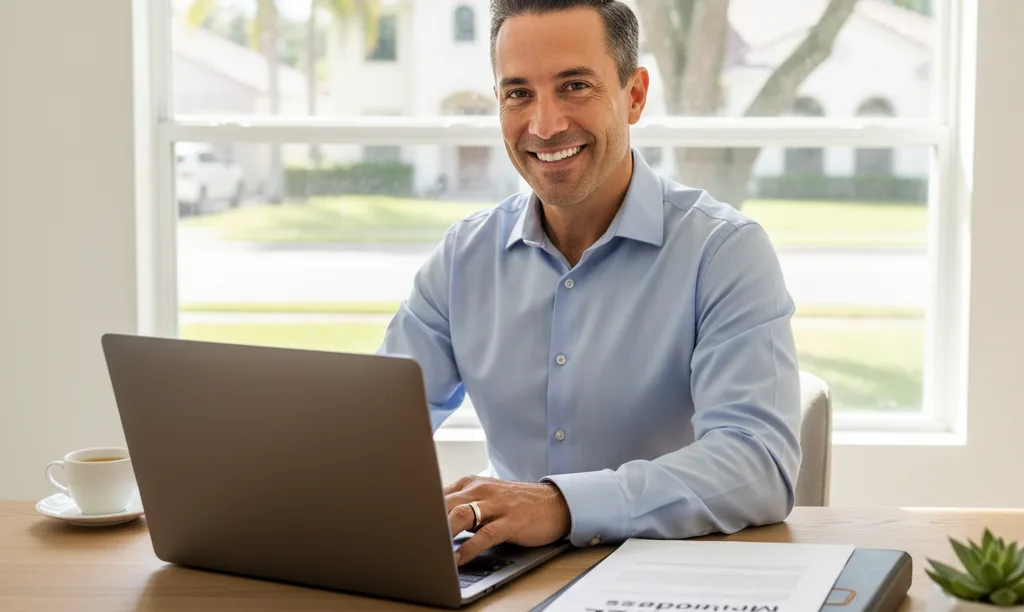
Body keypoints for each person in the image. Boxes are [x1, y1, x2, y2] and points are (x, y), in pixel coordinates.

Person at [377, 0, 801, 566]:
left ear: (635, 96)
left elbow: (758, 465)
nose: (544, 125)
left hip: (675, 576)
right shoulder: (463, 256)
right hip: (508, 576)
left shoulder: (723, 251)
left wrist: (559, 504)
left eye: (575, 85)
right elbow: (371, 434)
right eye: (518, 93)